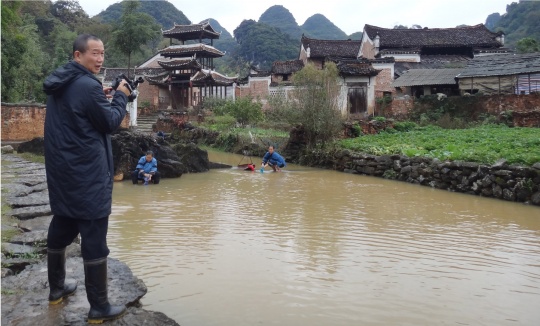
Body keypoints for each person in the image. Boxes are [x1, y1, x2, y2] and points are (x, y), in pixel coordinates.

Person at [43, 34, 131, 323]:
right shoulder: (87, 85)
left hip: (63, 172)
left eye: (103, 53)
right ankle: (99, 307)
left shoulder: (63, 82)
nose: (100, 59)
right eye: (94, 53)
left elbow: (80, 113)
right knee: (94, 237)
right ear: (78, 55)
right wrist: (120, 97)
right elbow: (108, 122)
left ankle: (56, 289)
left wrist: (101, 96)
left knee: (62, 227)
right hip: (88, 175)